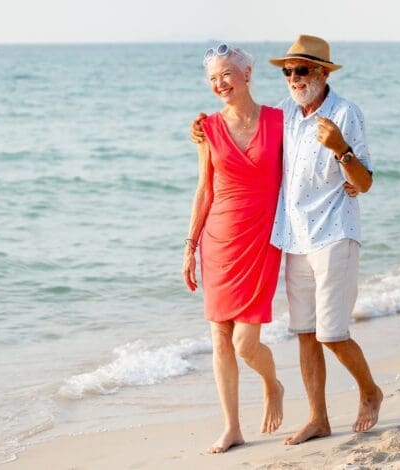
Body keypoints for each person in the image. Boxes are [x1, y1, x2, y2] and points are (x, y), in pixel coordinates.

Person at [191, 34, 382, 445]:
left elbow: (364, 182)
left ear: (322, 72)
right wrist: (202, 131)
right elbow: (231, 152)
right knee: (305, 333)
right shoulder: (286, 116)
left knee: (331, 333)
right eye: (289, 71)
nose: (294, 77)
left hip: (332, 234)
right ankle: (318, 419)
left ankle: (369, 390)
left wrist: (343, 152)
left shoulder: (345, 114)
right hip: (292, 238)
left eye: (303, 70)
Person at [182, 43, 285, 454]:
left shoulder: (279, 121)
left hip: (261, 241)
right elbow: (204, 190)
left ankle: (272, 383)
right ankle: (232, 427)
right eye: (212, 79)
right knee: (221, 339)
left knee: (246, 343)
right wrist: (189, 247)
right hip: (218, 242)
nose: (219, 83)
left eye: (226, 74)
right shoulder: (206, 128)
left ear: (246, 73)